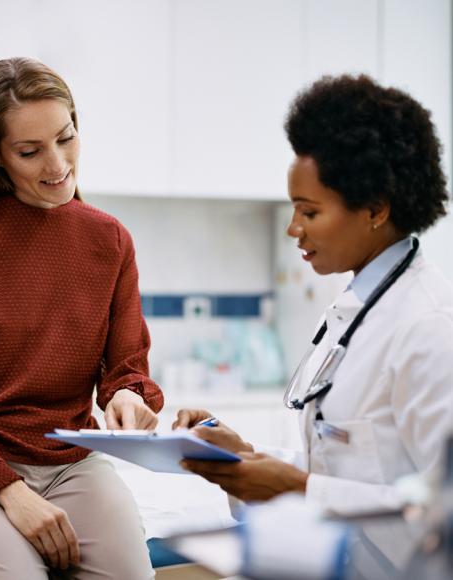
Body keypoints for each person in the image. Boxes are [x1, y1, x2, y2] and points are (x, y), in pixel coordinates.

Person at [0, 57, 163, 580]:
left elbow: (127, 368)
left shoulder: (109, 240)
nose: (58, 163)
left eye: (66, 137)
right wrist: (6, 488)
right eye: (30, 151)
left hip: (69, 462)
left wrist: (129, 397)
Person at [174, 75, 453, 520]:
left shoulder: (430, 327)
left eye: (310, 211)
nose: (293, 228)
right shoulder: (359, 310)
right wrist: (244, 457)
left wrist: (303, 491)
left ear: (376, 210)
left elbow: (443, 507)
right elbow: (345, 467)